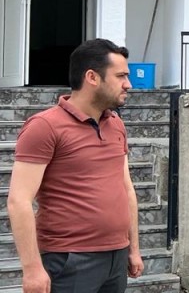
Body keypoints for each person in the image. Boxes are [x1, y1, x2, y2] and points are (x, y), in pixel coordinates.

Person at [7, 38, 144, 293]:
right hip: (70, 259)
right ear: (92, 77)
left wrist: (133, 248)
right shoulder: (44, 127)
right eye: (121, 76)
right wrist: (32, 269)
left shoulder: (116, 124)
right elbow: (19, 200)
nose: (129, 84)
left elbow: (126, 189)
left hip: (116, 256)